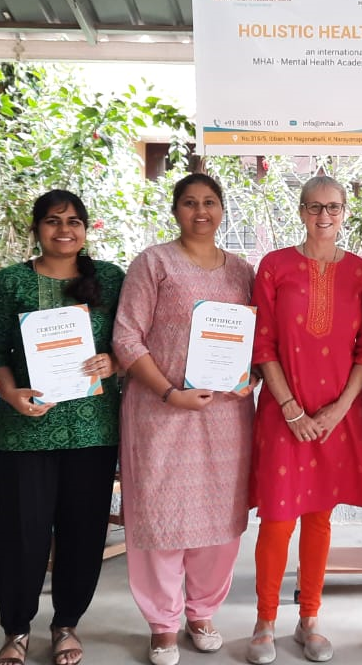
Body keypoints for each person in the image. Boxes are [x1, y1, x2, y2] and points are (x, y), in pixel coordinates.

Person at [111, 174, 256, 665]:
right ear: (175, 210)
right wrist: (171, 393)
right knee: (159, 515)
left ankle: (202, 612)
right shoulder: (154, 263)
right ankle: (162, 622)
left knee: (220, 516)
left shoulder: (242, 272)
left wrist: (248, 378)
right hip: (161, 410)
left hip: (225, 415)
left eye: (210, 202)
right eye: (190, 203)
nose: (201, 211)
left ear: (222, 210)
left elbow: (256, 340)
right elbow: (128, 339)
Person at [0, 190, 123, 665]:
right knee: (22, 533)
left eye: (73, 221)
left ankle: (66, 623)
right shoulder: (10, 282)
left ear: (86, 229)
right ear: (37, 228)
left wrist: (115, 361)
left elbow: (129, 341)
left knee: (83, 531)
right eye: (52, 221)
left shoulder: (109, 278)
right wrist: (9, 393)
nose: (64, 229)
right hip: (26, 428)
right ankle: (16, 629)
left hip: (94, 429)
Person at [247, 175, 362, 664]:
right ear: (300, 211)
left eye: (334, 208)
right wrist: (291, 408)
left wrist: (341, 408)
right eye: (315, 207)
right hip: (285, 414)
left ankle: (310, 618)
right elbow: (262, 344)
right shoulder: (275, 266)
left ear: (346, 212)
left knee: (320, 518)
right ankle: (264, 621)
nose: (325, 216)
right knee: (278, 518)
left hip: (336, 415)